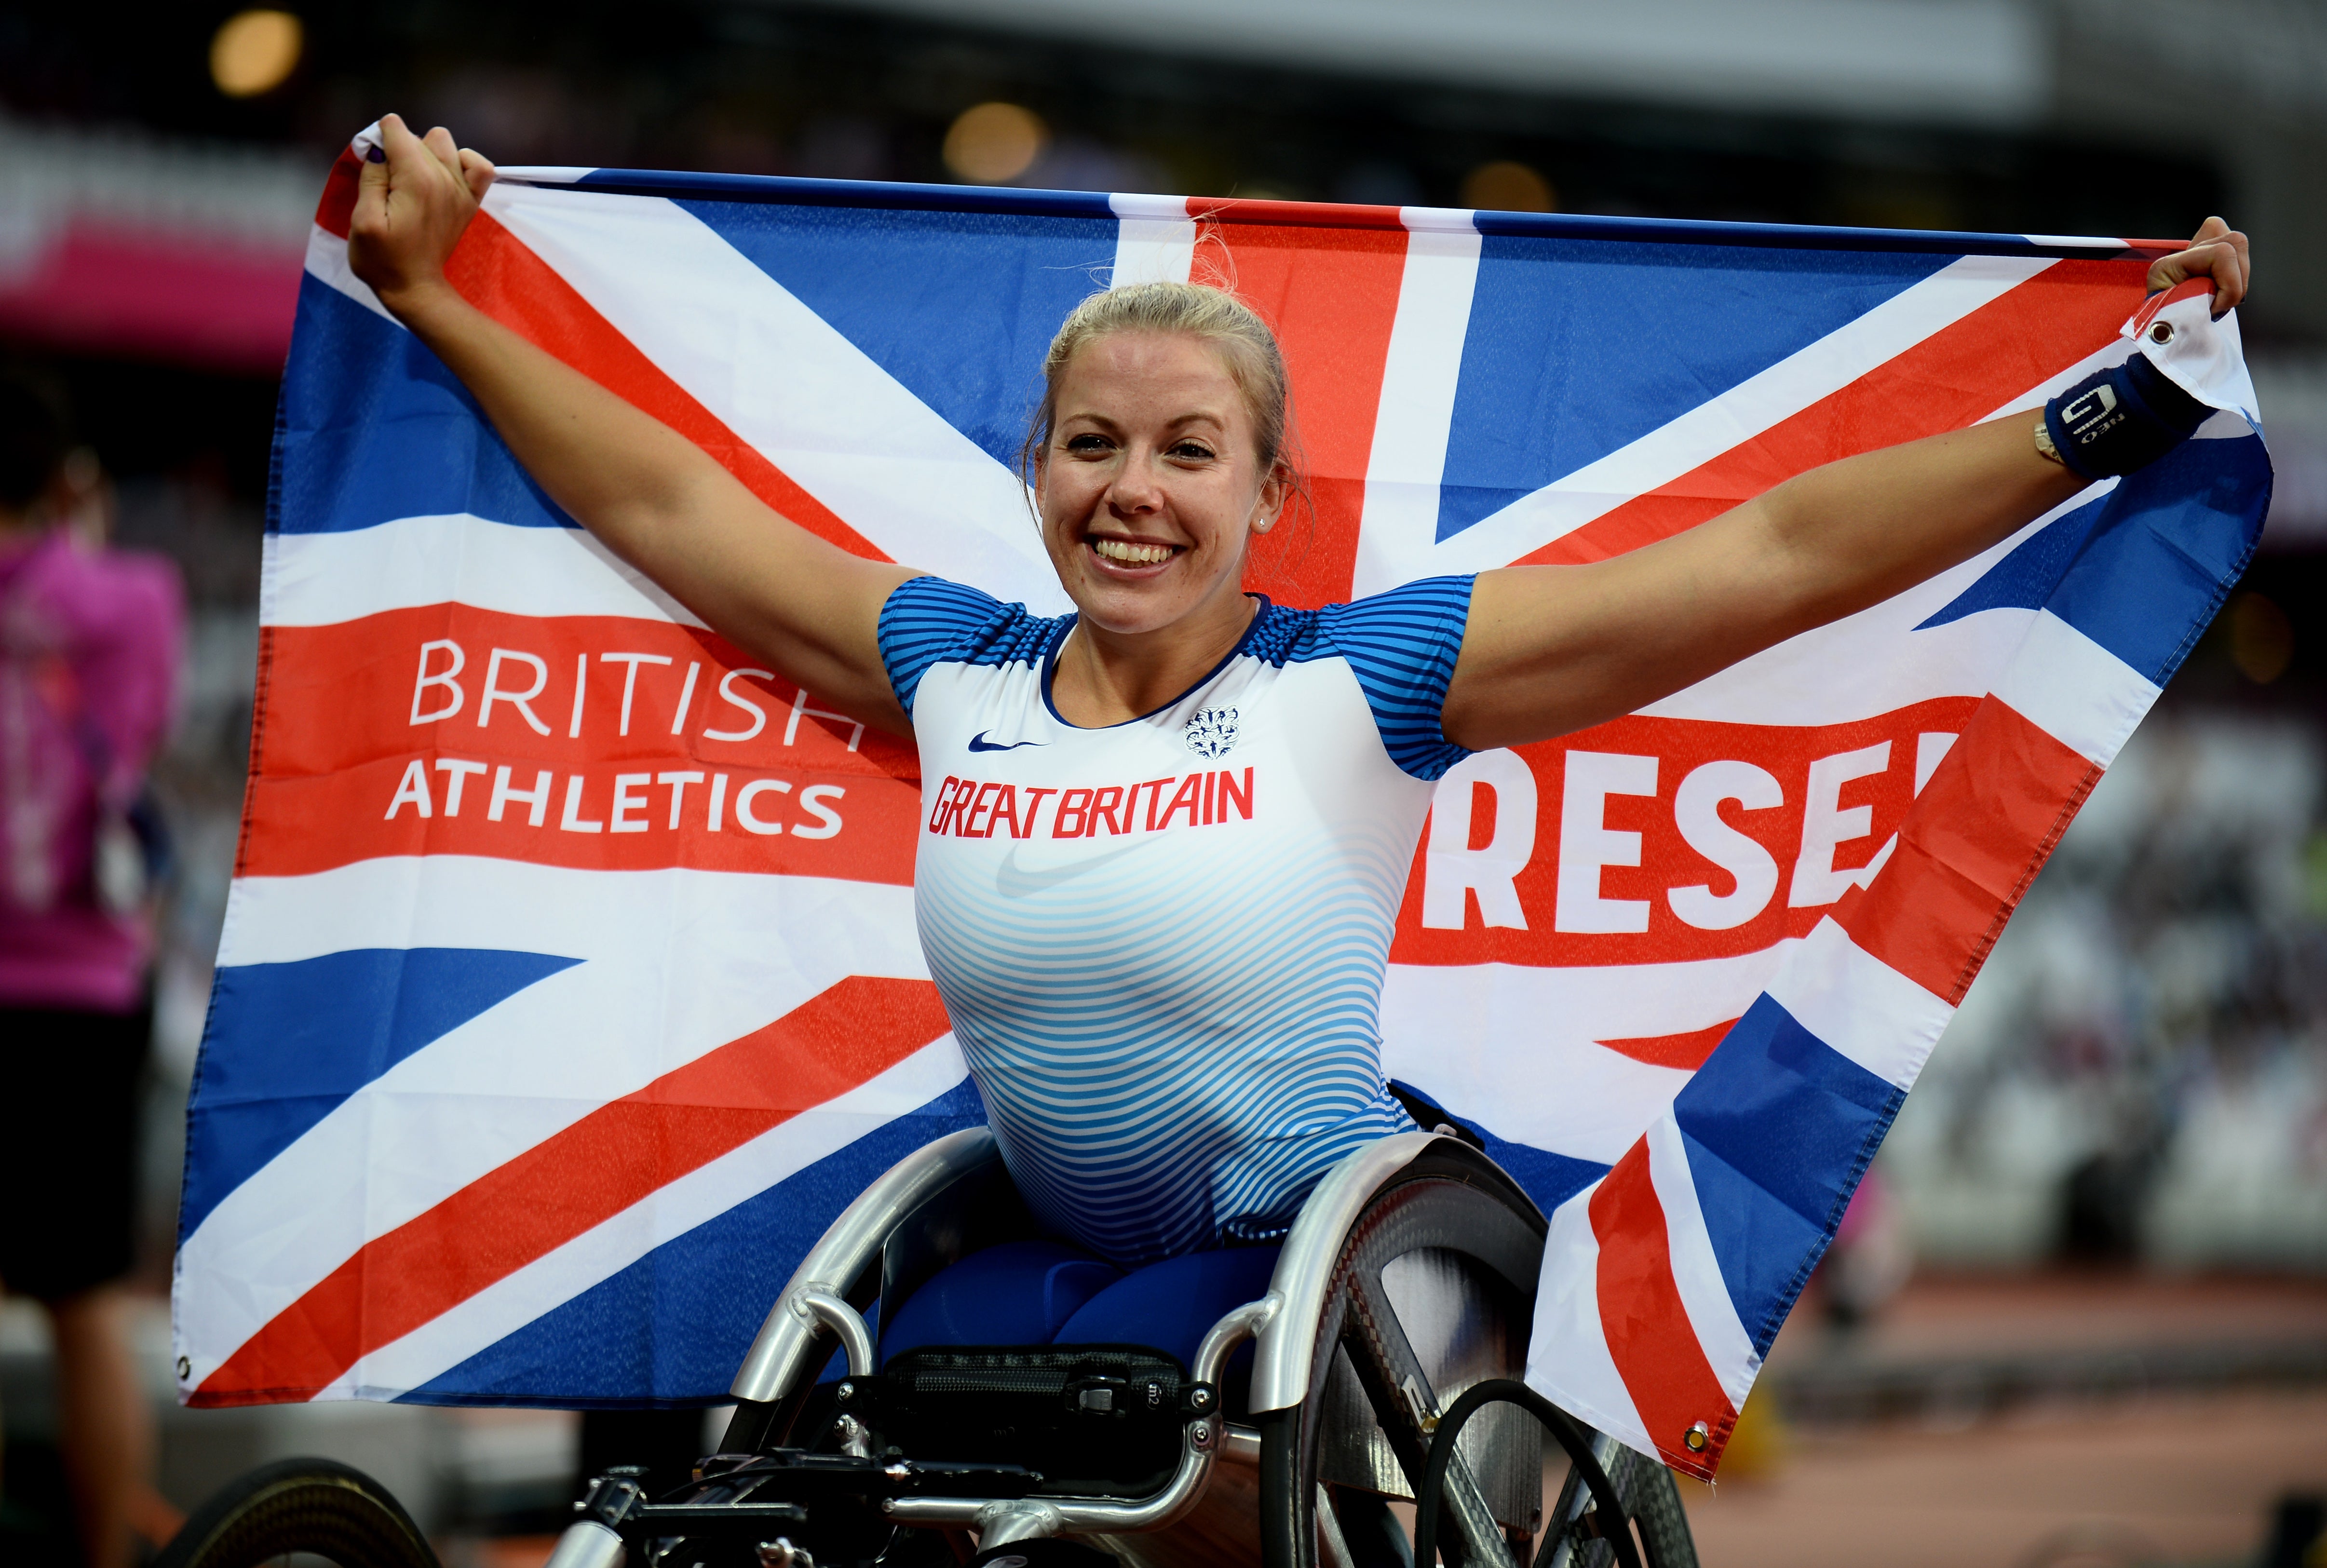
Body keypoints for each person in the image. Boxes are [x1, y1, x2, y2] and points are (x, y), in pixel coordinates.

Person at [346, 116, 2250, 1373]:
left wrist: (2097, 420)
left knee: (1126, 1441)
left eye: (1189, 452)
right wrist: (434, 293)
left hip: (1313, 1258)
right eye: (1093, 445)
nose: (1133, 491)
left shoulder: (1369, 680)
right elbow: (676, 509)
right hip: (1041, 1251)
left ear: (1268, 498)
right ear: (1036, 476)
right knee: (850, 1437)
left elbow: (1765, 555)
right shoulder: (951, 665)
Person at [0, 367, 184, 1568]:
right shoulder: (131, 598)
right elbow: (145, 732)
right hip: (81, 988)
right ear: (70, 481)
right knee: (84, 1305)